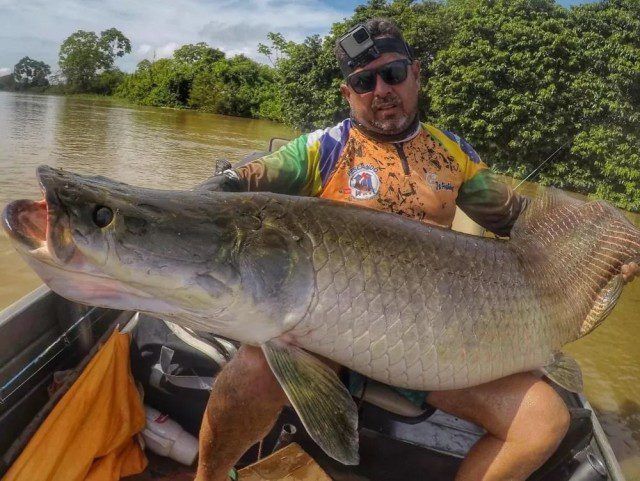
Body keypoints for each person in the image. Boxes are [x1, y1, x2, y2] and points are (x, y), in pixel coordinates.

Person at [195, 18, 638, 481]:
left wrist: (604, 248)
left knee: (543, 422)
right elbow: (239, 184)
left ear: (416, 73)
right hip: (322, 330)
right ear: (348, 93)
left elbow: (519, 219)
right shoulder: (322, 149)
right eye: (364, 82)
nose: (381, 90)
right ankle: (209, 476)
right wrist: (209, 191)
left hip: (425, 344)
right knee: (253, 367)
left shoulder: (453, 155)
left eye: (393, 73)